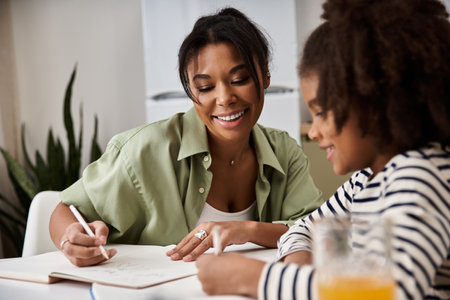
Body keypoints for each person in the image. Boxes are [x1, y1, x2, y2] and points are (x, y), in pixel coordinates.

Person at [196, 0, 450, 299]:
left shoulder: (421, 176)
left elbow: (395, 290)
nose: (313, 132)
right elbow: (302, 229)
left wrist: (256, 279)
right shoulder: (365, 181)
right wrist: (302, 274)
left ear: (375, 104)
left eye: (320, 112)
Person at [49, 7, 323, 267]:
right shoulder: (144, 150)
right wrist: (71, 240)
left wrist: (246, 230)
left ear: (264, 74)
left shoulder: (284, 152)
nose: (225, 99)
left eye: (239, 80)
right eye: (205, 87)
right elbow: (65, 210)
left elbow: (317, 229)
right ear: (191, 91)